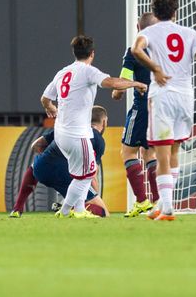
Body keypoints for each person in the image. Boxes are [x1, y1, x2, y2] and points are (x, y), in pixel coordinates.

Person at [132, 0, 196, 221]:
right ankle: (163, 203)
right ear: (175, 11)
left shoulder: (148, 32)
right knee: (175, 151)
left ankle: (167, 207)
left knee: (161, 155)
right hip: (186, 97)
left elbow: (136, 50)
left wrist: (156, 69)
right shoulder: (190, 33)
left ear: (155, 11)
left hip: (163, 96)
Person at [41, 35, 146, 218]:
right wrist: (135, 83)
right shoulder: (88, 71)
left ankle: (80, 211)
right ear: (92, 54)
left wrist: (50, 107)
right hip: (76, 134)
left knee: (80, 174)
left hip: (61, 133)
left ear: (74, 53)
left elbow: (45, 98)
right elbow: (113, 83)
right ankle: (65, 211)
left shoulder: (63, 72)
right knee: (88, 173)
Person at [9, 106, 111, 218]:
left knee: (36, 163)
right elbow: (92, 175)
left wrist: (51, 157)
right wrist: (94, 196)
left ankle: (17, 208)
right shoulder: (98, 140)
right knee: (103, 212)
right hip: (67, 175)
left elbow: (35, 145)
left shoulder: (68, 128)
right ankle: (65, 208)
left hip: (41, 169)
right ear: (104, 121)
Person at [112, 12, 160, 217]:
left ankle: (141, 201)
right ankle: (160, 201)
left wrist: (117, 92)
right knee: (151, 154)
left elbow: (122, 83)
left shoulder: (133, 51)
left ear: (138, 28)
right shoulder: (162, 50)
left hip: (141, 109)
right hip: (161, 110)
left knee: (128, 152)